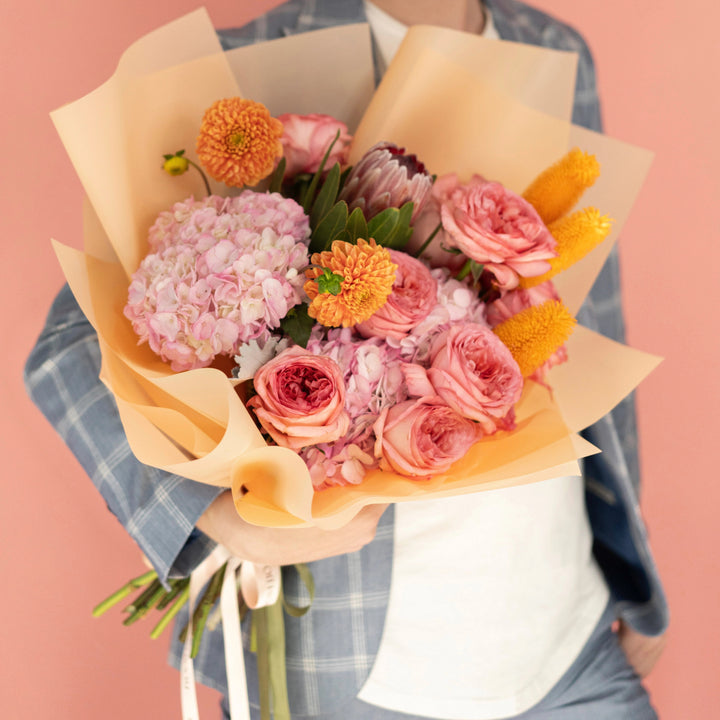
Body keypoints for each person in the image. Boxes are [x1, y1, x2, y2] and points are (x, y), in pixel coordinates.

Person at [25, 1, 669, 718]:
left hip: (569, 639)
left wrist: (631, 571)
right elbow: (66, 352)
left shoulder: (553, 49)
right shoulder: (256, 62)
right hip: (356, 666)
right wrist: (207, 513)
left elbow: (583, 323)